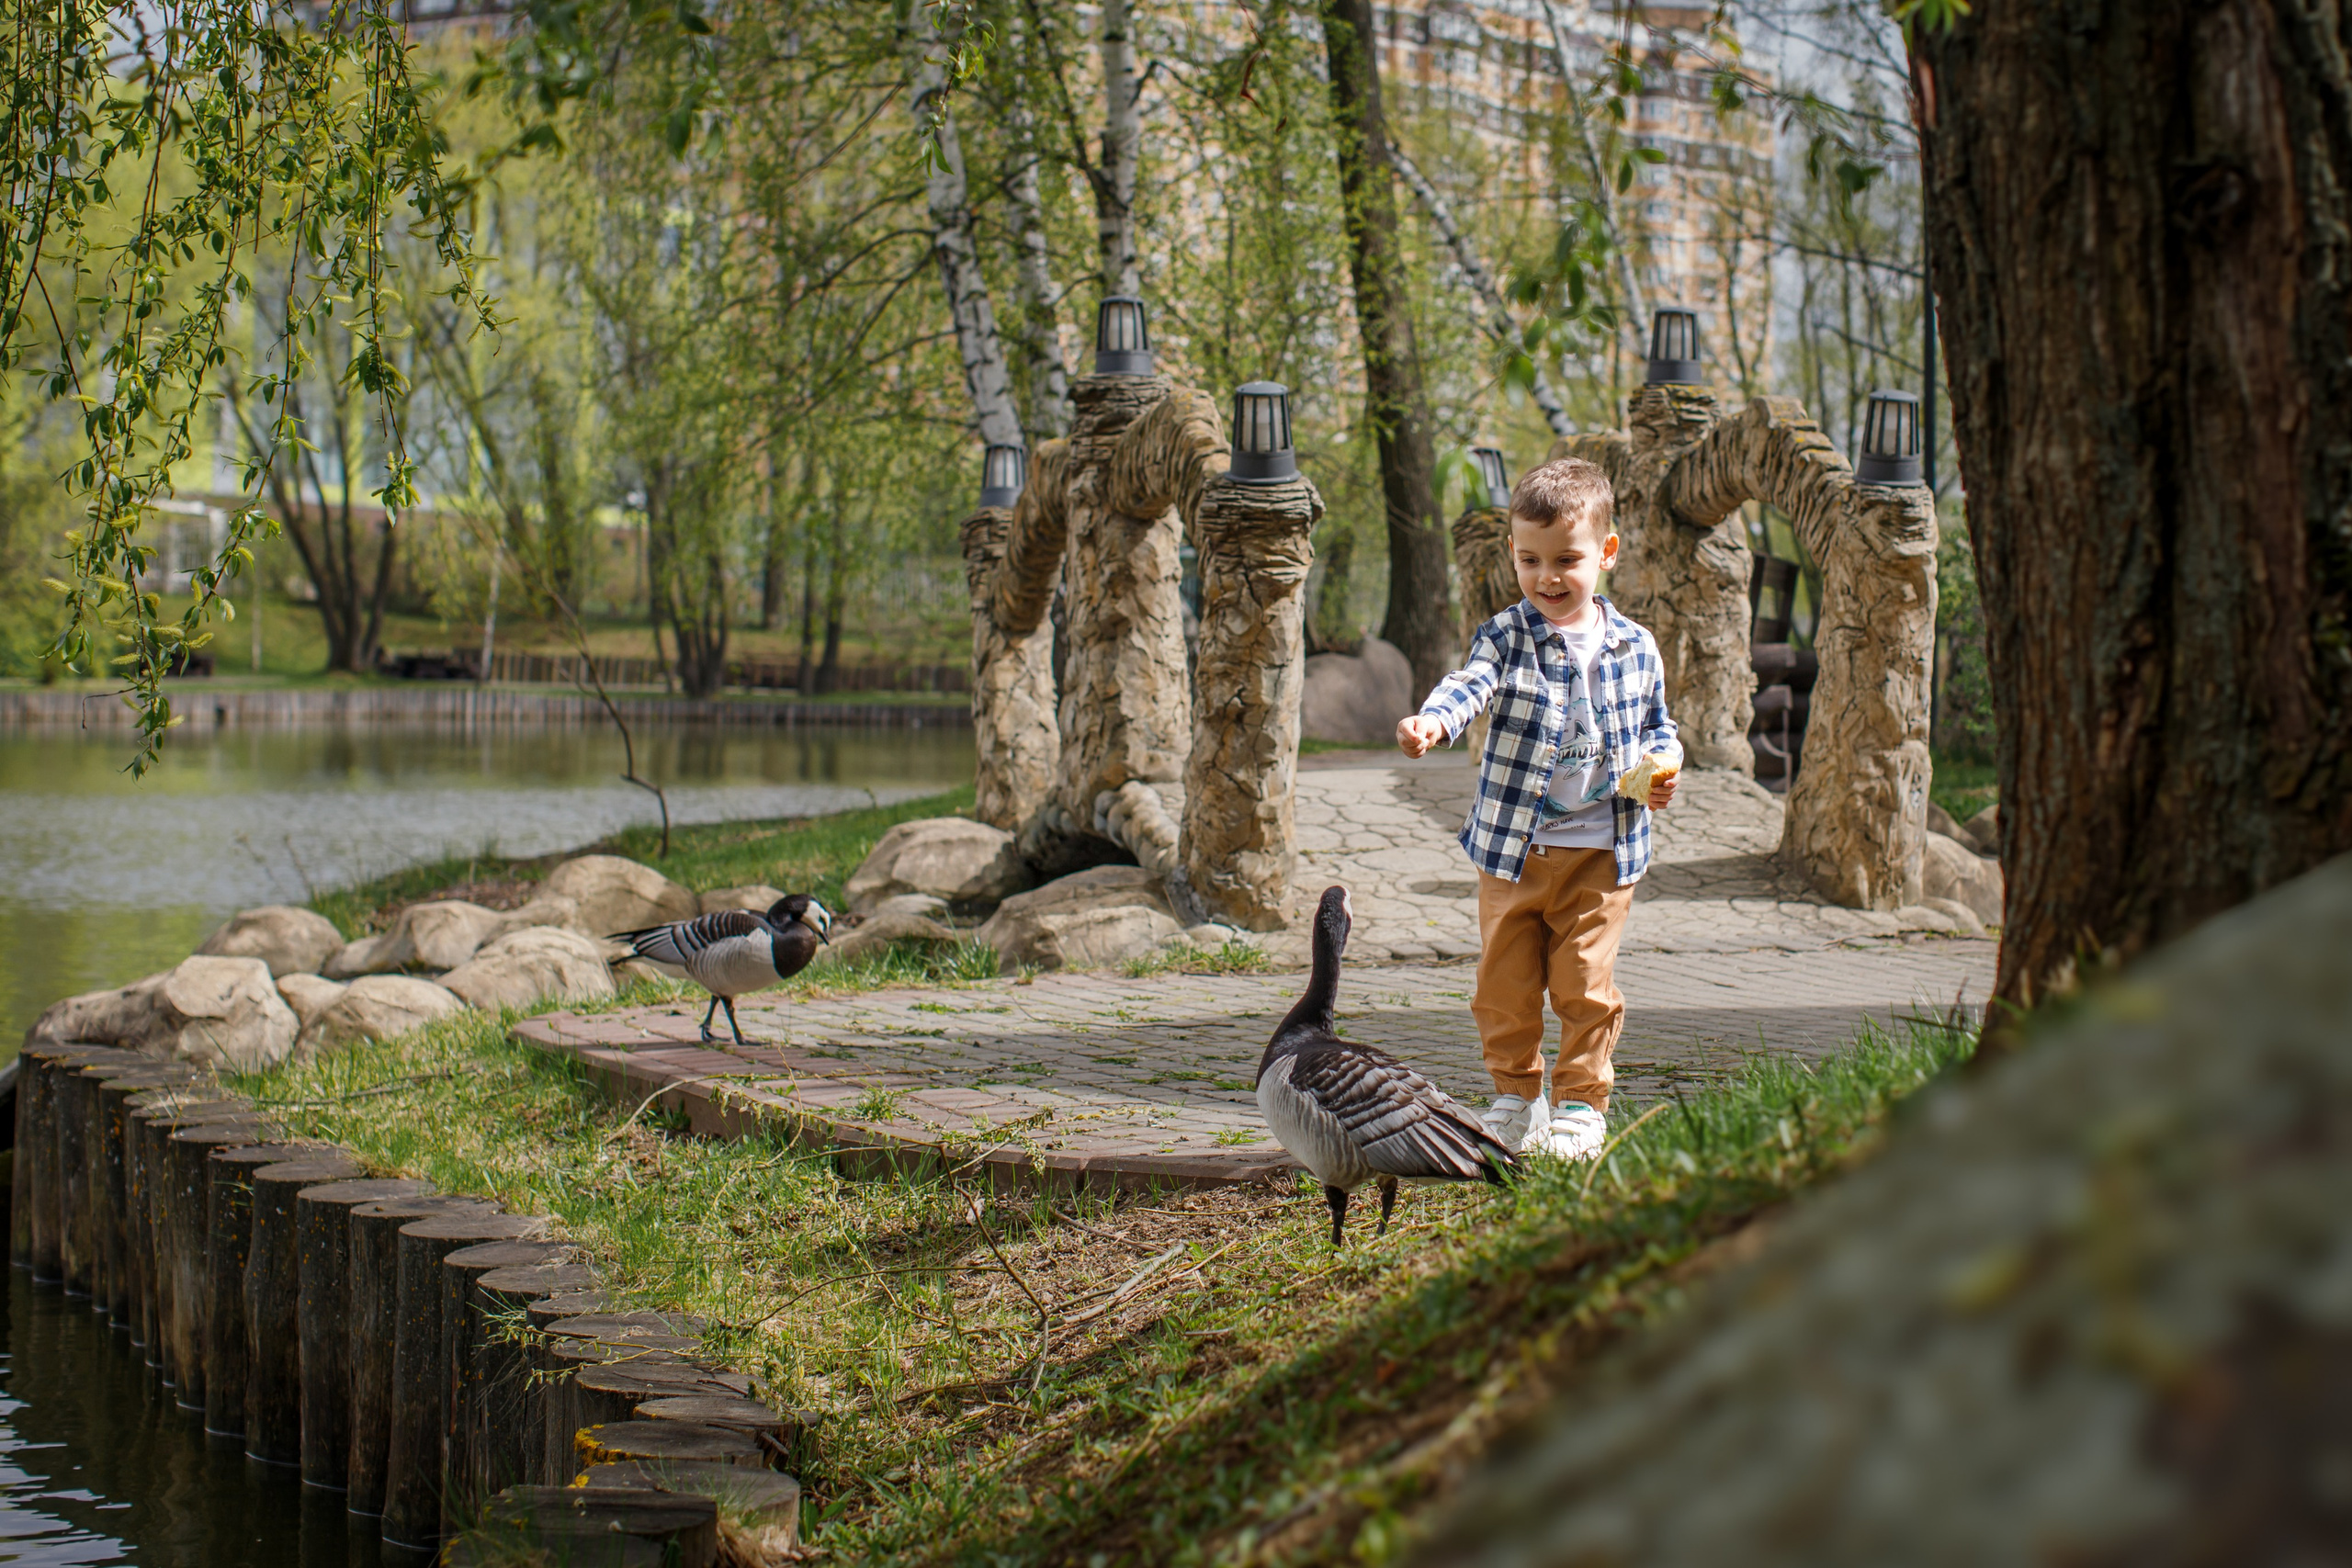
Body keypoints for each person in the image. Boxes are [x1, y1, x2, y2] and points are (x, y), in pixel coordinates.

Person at [1396, 457, 1680, 1160]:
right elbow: (1470, 684)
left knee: (1585, 984)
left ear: (1606, 552)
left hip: (1602, 850)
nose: (1547, 577)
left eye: (1566, 560)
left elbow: (1658, 727)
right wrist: (1434, 720)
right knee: (1505, 986)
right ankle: (1518, 1097)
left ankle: (1581, 1104)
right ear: (1513, 553)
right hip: (1513, 850)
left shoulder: (1636, 646)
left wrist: (1663, 766)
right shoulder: (1505, 635)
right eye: (1530, 560)